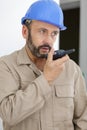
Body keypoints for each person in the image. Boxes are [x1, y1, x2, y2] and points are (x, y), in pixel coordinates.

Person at [0, 0, 87, 130]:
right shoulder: (6, 66)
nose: (49, 40)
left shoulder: (71, 69)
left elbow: (83, 120)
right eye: (42, 31)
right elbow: (8, 114)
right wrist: (46, 79)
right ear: (25, 31)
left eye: (54, 33)